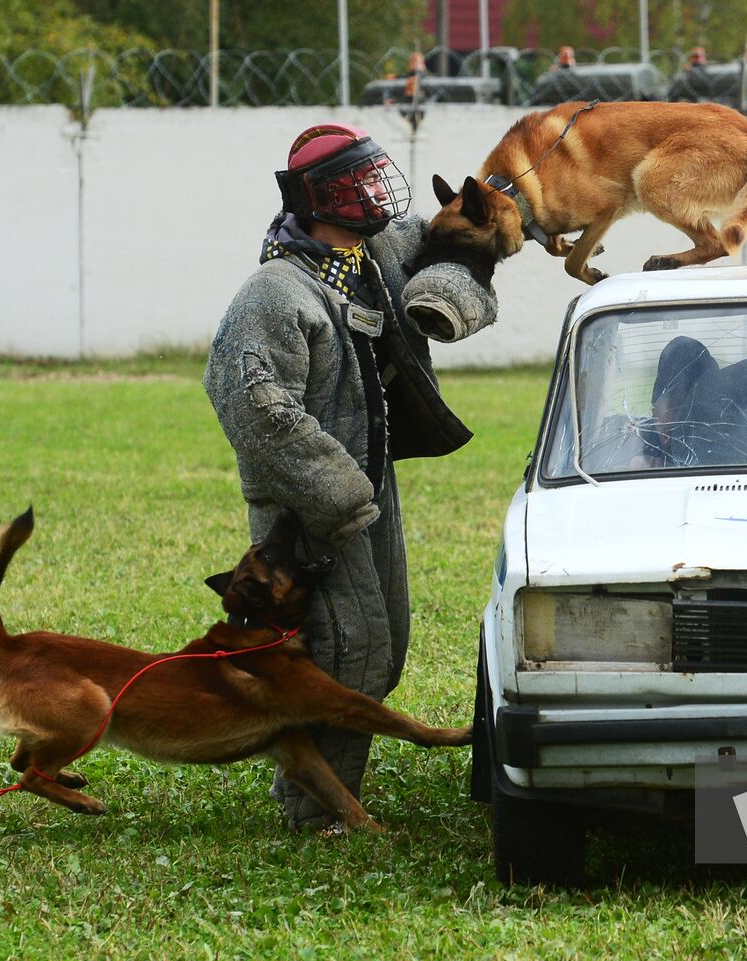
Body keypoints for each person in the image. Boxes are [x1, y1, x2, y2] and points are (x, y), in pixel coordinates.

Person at [203, 123, 496, 831]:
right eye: (358, 184)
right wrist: (339, 495)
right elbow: (255, 406)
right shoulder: (275, 291)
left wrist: (455, 293)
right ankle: (312, 810)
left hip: (369, 488)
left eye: (374, 177)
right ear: (322, 199)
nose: (377, 193)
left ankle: (317, 788)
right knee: (341, 651)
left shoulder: (376, 252)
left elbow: (461, 248)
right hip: (309, 512)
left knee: (383, 643)